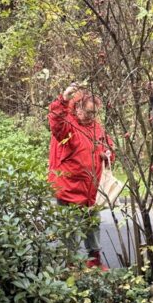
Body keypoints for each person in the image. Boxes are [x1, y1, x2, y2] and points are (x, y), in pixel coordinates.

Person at [48, 83, 114, 268]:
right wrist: (64, 98)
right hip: (69, 187)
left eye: (94, 113)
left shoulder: (97, 128)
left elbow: (108, 146)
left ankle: (94, 262)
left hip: (91, 189)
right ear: (77, 107)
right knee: (70, 229)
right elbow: (56, 122)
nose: (90, 116)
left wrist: (108, 154)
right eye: (88, 112)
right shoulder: (67, 125)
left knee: (92, 225)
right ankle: (72, 266)